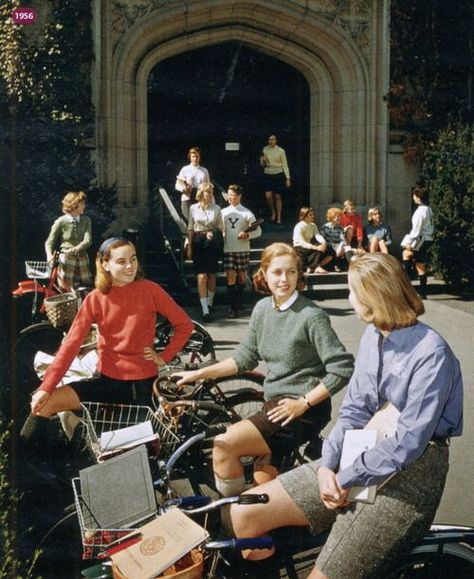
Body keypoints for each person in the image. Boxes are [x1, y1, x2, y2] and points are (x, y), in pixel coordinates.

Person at [229, 253, 463, 579]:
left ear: (373, 297)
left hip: (410, 479)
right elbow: (354, 409)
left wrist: (345, 476)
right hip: (360, 454)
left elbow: (409, 443)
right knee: (246, 511)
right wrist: (328, 464)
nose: (349, 297)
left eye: (353, 290)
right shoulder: (373, 336)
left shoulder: (431, 352)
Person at [175, 242, 354, 497]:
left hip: (303, 410)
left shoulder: (311, 316)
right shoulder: (262, 309)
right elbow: (244, 358)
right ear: (264, 273)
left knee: (225, 445)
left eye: (291, 272)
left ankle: (231, 516)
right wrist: (197, 373)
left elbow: (342, 367)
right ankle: (255, 521)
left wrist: (303, 402)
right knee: (263, 480)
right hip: (275, 405)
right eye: (277, 272)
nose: (284, 279)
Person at [21, 237, 193, 442]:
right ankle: (28, 464)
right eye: (121, 261)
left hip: (140, 387)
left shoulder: (150, 290)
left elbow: (184, 325)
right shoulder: (96, 298)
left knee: (133, 452)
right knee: (43, 405)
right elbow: (70, 345)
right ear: (105, 264)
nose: (130, 266)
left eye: (134, 259)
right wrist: (46, 388)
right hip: (106, 381)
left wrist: (164, 357)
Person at [221, 184, 262, 318]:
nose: (230, 197)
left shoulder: (247, 213)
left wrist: (247, 234)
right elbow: (220, 228)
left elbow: (258, 230)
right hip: (228, 249)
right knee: (231, 277)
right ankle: (233, 307)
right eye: (228, 195)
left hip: (242, 249)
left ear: (239, 196)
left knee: (242, 277)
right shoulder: (223, 212)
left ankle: (239, 302)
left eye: (232, 195)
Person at [187, 182, 224, 322]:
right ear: (201, 194)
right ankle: (205, 310)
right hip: (198, 241)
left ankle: (210, 302)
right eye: (208, 192)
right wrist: (189, 246)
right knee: (201, 276)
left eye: (211, 192)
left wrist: (214, 234)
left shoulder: (217, 208)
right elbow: (190, 228)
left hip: (212, 242)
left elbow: (221, 227)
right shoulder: (193, 208)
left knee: (211, 275)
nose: (210, 194)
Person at [45, 190, 93, 291]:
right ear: (75, 204)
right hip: (66, 259)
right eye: (82, 204)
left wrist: (77, 248)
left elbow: (88, 240)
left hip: (82, 258)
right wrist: (49, 255)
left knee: (87, 287)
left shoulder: (86, 220)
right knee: (66, 289)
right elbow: (50, 242)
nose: (84, 206)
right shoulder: (61, 221)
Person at [401, 187, 434, 298]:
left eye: (414, 195)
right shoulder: (428, 209)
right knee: (420, 264)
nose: (413, 198)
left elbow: (416, 229)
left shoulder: (420, 211)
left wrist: (409, 242)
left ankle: (406, 288)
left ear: (418, 196)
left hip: (422, 238)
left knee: (407, 254)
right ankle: (422, 292)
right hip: (427, 238)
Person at [260, 135, 291, 224]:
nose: (271, 141)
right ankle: (273, 211)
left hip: (278, 174)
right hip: (268, 174)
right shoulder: (265, 149)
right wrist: (263, 160)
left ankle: (279, 216)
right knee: (268, 196)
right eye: (269, 139)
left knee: (277, 196)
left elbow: (285, 165)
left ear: (276, 140)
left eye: (273, 139)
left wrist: (288, 178)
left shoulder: (281, 151)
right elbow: (262, 165)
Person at [292, 207, 332, 274]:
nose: (313, 216)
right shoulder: (299, 226)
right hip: (300, 247)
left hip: (308, 246)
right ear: (304, 216)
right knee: (318, 249)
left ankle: (315, 267)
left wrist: (323, 242)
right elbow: (301, 242)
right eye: (310, 215)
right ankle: (312, 267)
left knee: (325, 248)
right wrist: (316, 247)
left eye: (313, 214)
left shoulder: (313, 225)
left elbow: (317, 235)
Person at [175, 147, 210, 222]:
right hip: (187, 198)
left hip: (200, 198)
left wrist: (210, 200)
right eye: (193, 157)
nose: (195, 159)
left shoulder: (204, 170)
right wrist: (183, 189)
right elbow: (177, 184)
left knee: (199, 221)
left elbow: (208, 186)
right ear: (190, 158)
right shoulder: (185, 169)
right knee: (189, 222)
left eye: (197, 156)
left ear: (200, 158)